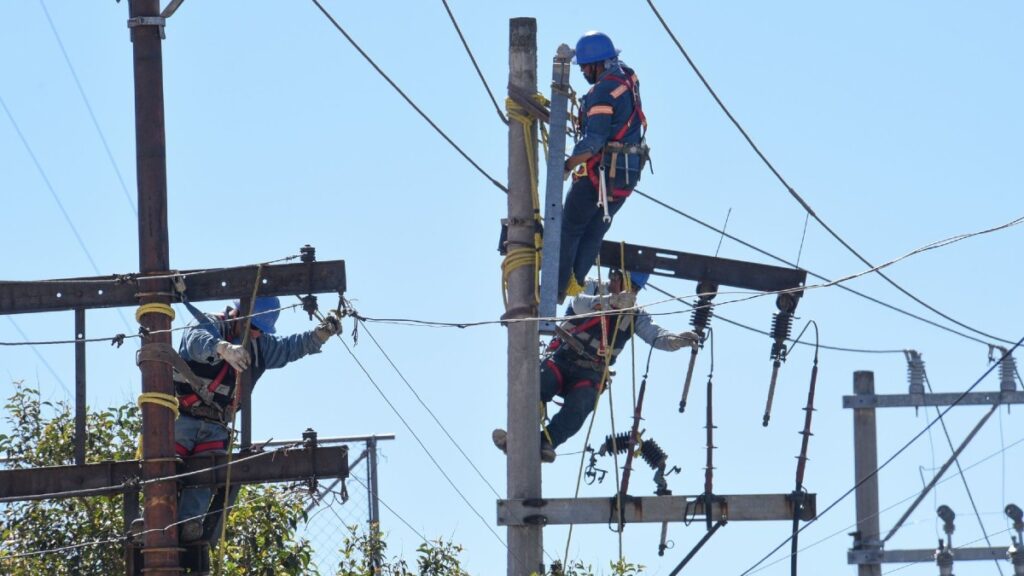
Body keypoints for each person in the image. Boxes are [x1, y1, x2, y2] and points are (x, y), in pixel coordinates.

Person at [171, 295, 341, 543]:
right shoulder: (209, 324)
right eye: (255, 328)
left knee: (205, 474)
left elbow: (289, 347)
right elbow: (195, 342)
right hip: (180, 418)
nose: (258, 335)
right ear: (238, 316)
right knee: (165, 469)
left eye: (262, 330)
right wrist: (223, 349)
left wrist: (321, 335)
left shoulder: (259, 345)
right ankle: (157, 523)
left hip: (215, 426)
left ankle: (188, 525)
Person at [494, 270, 696, 462]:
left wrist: (676, 340)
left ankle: (546, 443)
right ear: (615, 276)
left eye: (636, 288)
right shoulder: (593, 287)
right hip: (563, 358)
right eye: (630, 284)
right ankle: (517, 436)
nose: (632, 292)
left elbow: (656, 336)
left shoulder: (635, 314)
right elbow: (579, 303)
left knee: (581, 405)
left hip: (590, 373)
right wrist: (609, 302)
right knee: (539, 385)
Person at [559, 31, 649, 302]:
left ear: (597, 63)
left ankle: (556, 285)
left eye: (585, 66)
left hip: (600, 174)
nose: (583, 72)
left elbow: (594, 141)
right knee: (594, 231)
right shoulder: (627, 77)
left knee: (569, 227)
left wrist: (567, 165)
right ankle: (571, 284)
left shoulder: (602, 91)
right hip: (625, 177)